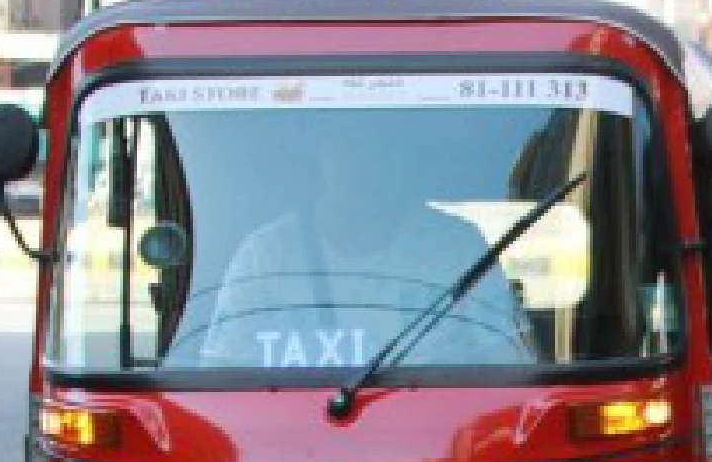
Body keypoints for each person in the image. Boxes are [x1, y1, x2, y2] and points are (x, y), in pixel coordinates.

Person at [198, 127, 537, 370]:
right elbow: (221, 372)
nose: (368, 163)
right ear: (322, 153)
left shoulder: (457, 249)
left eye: (384, 147)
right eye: (352, 145)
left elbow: (513, 366)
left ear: (405, 159)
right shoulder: (267, 255)